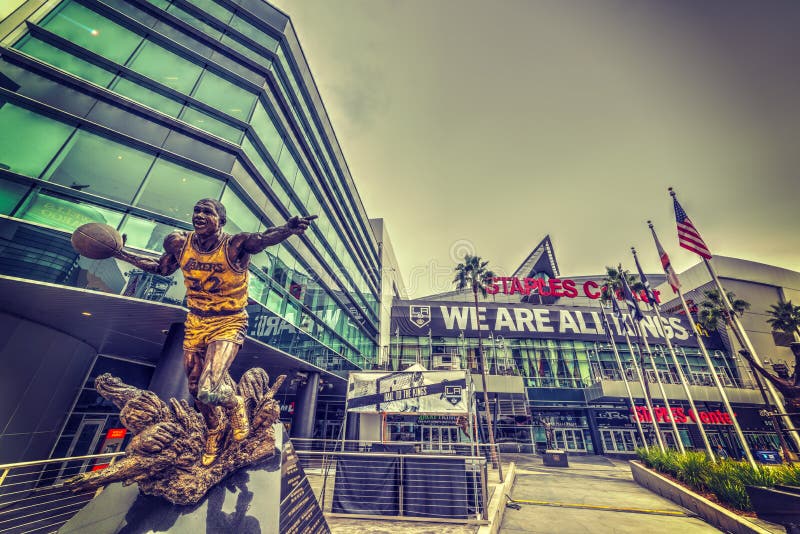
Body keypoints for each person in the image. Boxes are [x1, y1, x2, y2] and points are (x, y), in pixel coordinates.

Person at [111, 198, 314, 465]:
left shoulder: (235, 245)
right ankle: (214, 430)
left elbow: (263, 239)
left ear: (221, 220)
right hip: (196, 321)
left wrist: (288, 229)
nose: (199, 215)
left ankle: (236, 404)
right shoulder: (178, 243)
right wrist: (121, 254)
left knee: (210, 388)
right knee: (196, 390)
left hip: (228, 321)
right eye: (196, 210)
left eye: (207, 211)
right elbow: (161, 269)